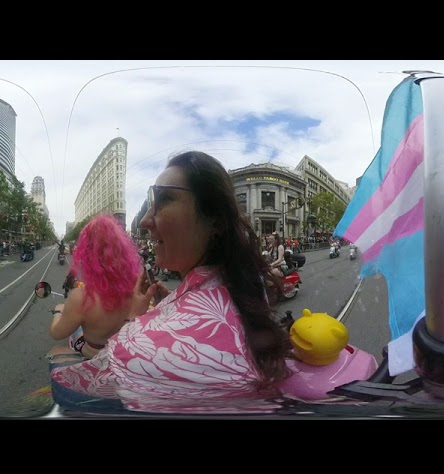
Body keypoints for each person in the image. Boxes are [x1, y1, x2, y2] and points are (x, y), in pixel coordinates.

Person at [48, 151, 292, 415]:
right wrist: (169, 306)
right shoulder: (247, 285)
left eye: (163, 200)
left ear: (215, 219)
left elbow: (72, 386)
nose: (144, 221)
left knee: (56, 355)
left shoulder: (140, 345)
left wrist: (134, 323)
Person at [48, 214, 142, 359]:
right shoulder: (136, 288)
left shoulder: (81, 297)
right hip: (122, 353)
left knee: (61, 346)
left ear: (86, 252)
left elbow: (56, 333)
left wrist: (58, 312)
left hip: (94, 355)